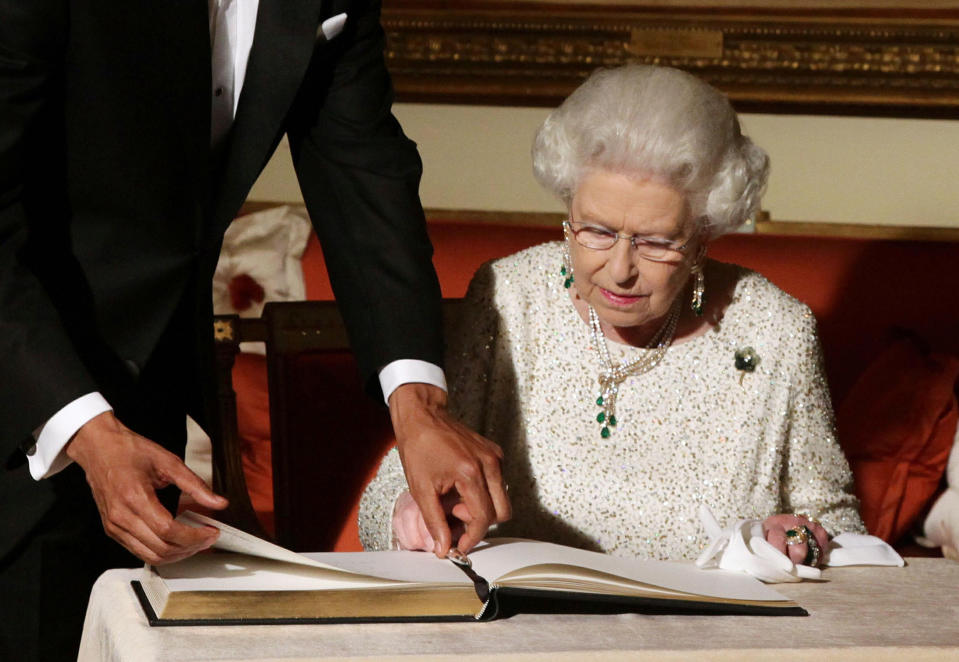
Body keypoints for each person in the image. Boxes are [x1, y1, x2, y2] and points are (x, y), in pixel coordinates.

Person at [0, 2, 508, 659]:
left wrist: (417, 406)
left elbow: (365, 173)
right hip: (25, 388)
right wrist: (86, 430)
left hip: (146, 405)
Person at [359, 64, 865, 566]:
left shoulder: (776, 330)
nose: (620, 270)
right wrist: (410, 512)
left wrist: (801, 538)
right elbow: (387, 496)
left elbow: (838, 527)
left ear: (703, 235)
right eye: (596, 231)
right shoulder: (510, 299)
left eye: (657, 242)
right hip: (527, 632)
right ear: (567, 211)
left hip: (711, 641)